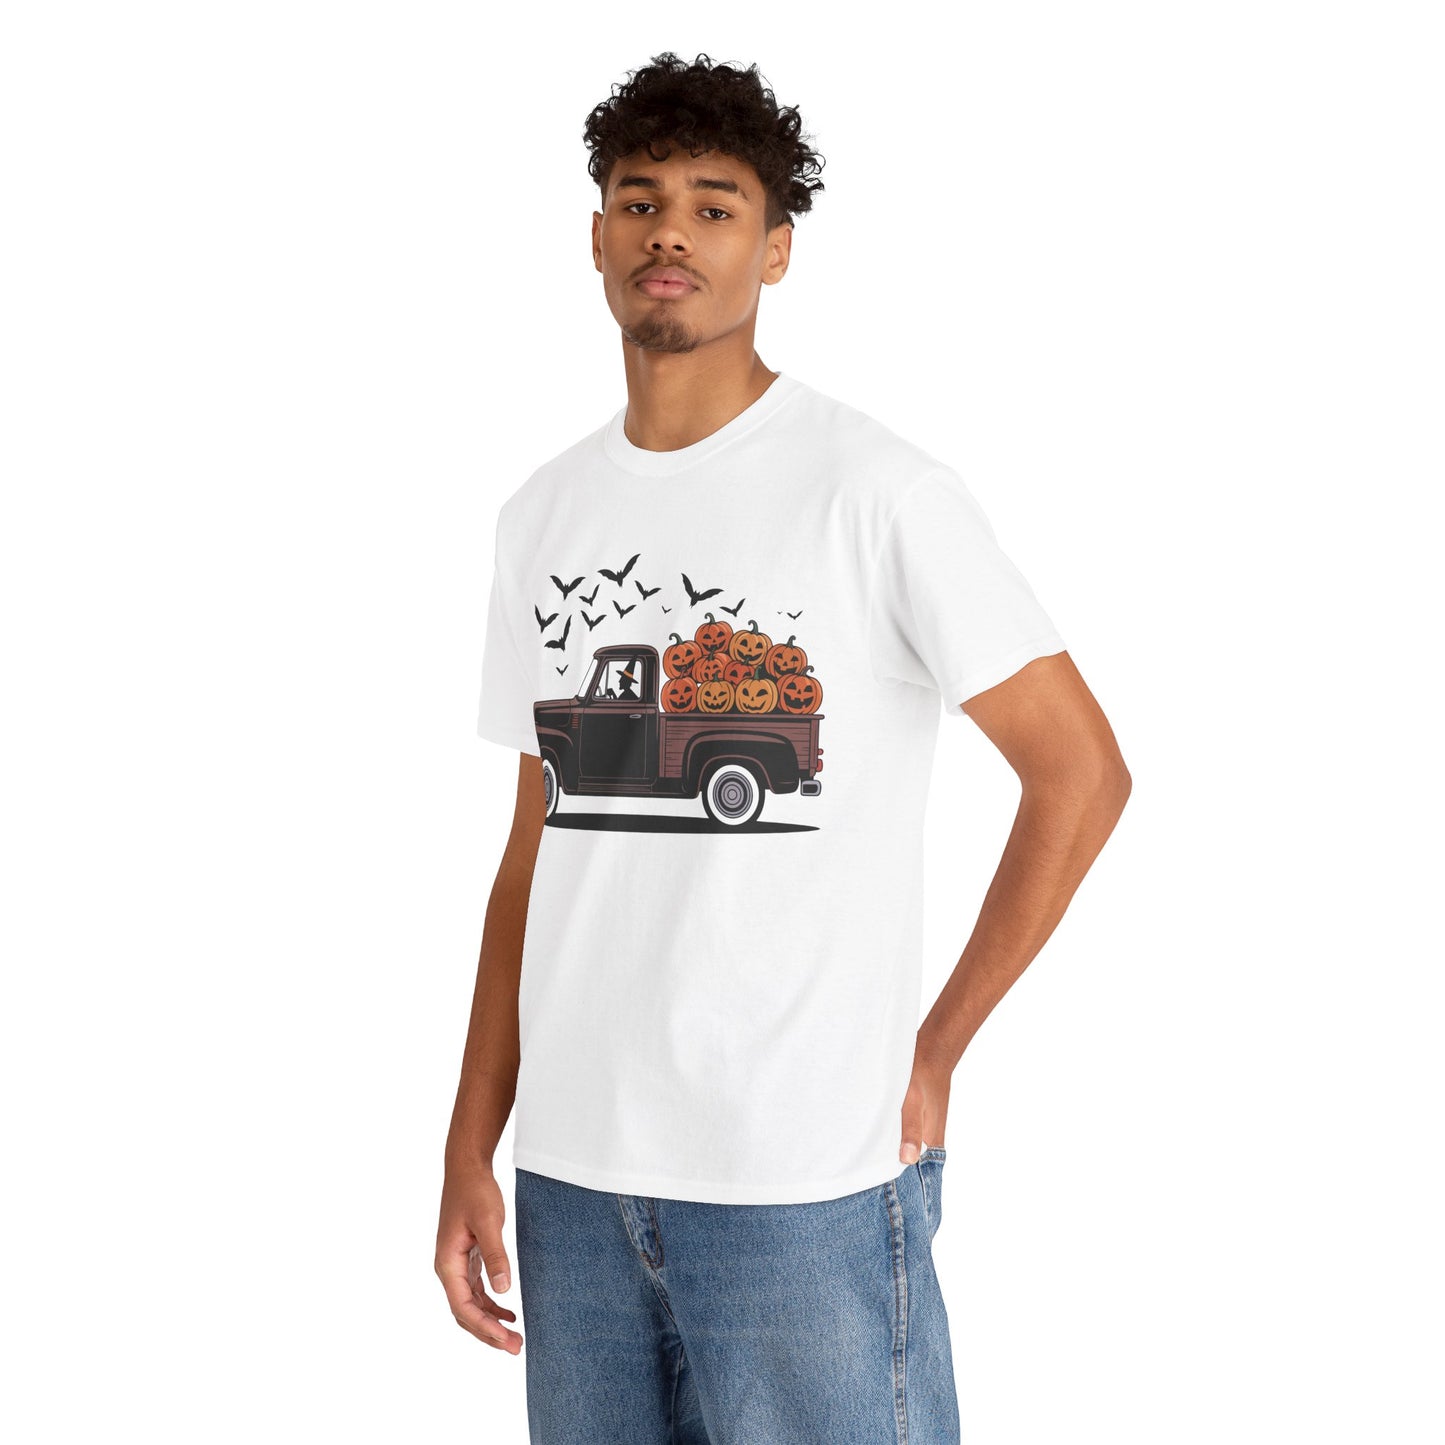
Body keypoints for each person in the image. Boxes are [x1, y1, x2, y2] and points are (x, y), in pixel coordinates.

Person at [436, 51, 1131, 1444]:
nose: (671, 234)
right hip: (573, 1174)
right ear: (595, 237)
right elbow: (532, 855)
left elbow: (1082, 773)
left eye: (715, 206)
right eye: (640, 202)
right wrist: (472, 1138)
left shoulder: (876, 491)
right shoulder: (541, 515)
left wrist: (935, 1047)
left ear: (775, 248)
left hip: (801, 1174)